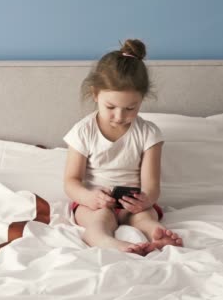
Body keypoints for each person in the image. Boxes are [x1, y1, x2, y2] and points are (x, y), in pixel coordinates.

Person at [63, 39, 183, 256]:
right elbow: (71, 181)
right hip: (94, 204)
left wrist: (146, 199)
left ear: (141, 100)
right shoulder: (83, 131)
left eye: (130, 108)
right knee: (101, 219)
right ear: (95, 94)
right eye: (110, 107)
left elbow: (152, 185)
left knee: (145, 218)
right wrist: (89, 198)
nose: (120, 117)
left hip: (133, 204)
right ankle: (106, 241)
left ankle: (159, 236)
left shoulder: (149, 134)